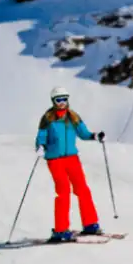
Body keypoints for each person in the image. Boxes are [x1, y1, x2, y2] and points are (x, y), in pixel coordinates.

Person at [35, 87, 106, 242]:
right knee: (63, 191)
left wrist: (95, 136)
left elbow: (84, 133)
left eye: (64, 99)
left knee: (82, 189)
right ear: (53, 101)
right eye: (58, 100)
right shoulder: (48, 118)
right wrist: (40, 147)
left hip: (72, 158)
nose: (62, 103)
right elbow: (41, 136)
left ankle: (90, 224)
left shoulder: (73, 117)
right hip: (55, 160)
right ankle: (61, 230)